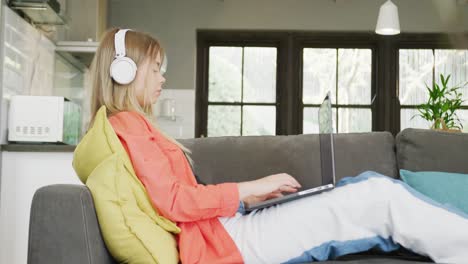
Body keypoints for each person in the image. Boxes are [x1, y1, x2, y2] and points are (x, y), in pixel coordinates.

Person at [88, 28, 468, 264]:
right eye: (155, 68)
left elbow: (181, 198)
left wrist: (246, 200)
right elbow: (173, 202)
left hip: (229, 229)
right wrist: (247, 189)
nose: (163, 76)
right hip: (227, 244)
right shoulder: (128, 126)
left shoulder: (134, 127)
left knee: (367, 188)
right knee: (379, 197)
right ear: (125, 72)